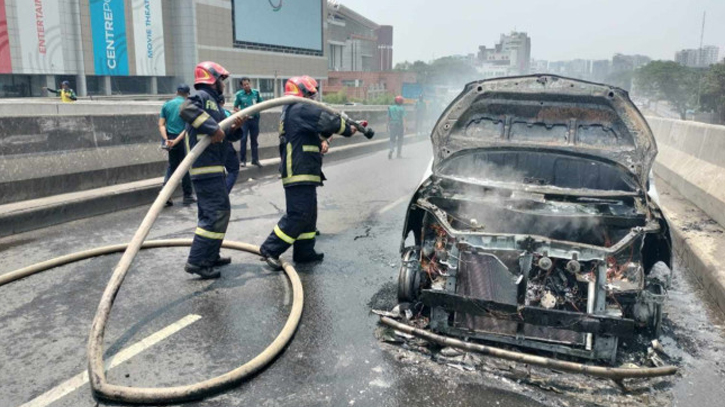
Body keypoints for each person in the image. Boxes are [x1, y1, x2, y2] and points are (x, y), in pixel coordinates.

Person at [259, 75, 356, 270]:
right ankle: (270, 248)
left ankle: (304, 252)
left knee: (309, 215)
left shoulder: (293, 111)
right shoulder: (301, 107)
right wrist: (348, 128)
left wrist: (327, 137)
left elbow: (319, 130)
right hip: (299, 170)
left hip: (304, 170)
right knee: (299, 214)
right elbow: (329, 122)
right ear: (302, 93)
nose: (313, 98)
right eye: (310, 94)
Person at [179, 61, 246, 279]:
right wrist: (212, 126)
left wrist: (235, 127)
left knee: (216, 212)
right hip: (204, 167)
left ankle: (211, 254)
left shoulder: (215, 106)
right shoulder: (201, 97)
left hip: (214, 166)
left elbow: (225, 135)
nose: (223, 85)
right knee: (216, 213)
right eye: (221, 80)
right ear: (211, 79)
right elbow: (186, 109)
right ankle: (197, 261)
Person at [159, 84, 195, 207]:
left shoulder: (167, 105)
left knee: (172, 166)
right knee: (184, 166)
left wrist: (167, 140)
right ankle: (187, 196)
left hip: (170, 138)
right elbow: (187, 128)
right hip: (183, 139)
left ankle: (165, 195)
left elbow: (161, 125)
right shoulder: (188, 105)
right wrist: (177, 140)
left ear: (176, 92)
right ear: (187, 94)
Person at [233, 77, 264, 168]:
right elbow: (235, 107)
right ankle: (243, 160)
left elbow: (262, 104)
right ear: (242, 86)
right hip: (244, 120)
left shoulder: (256, 93)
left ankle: (255, 160)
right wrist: (241, 112)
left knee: (254, 140)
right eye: (244, 85)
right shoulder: (239, 95)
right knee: (243, 139)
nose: (247, 86)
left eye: (248, 84)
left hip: (255, 119)